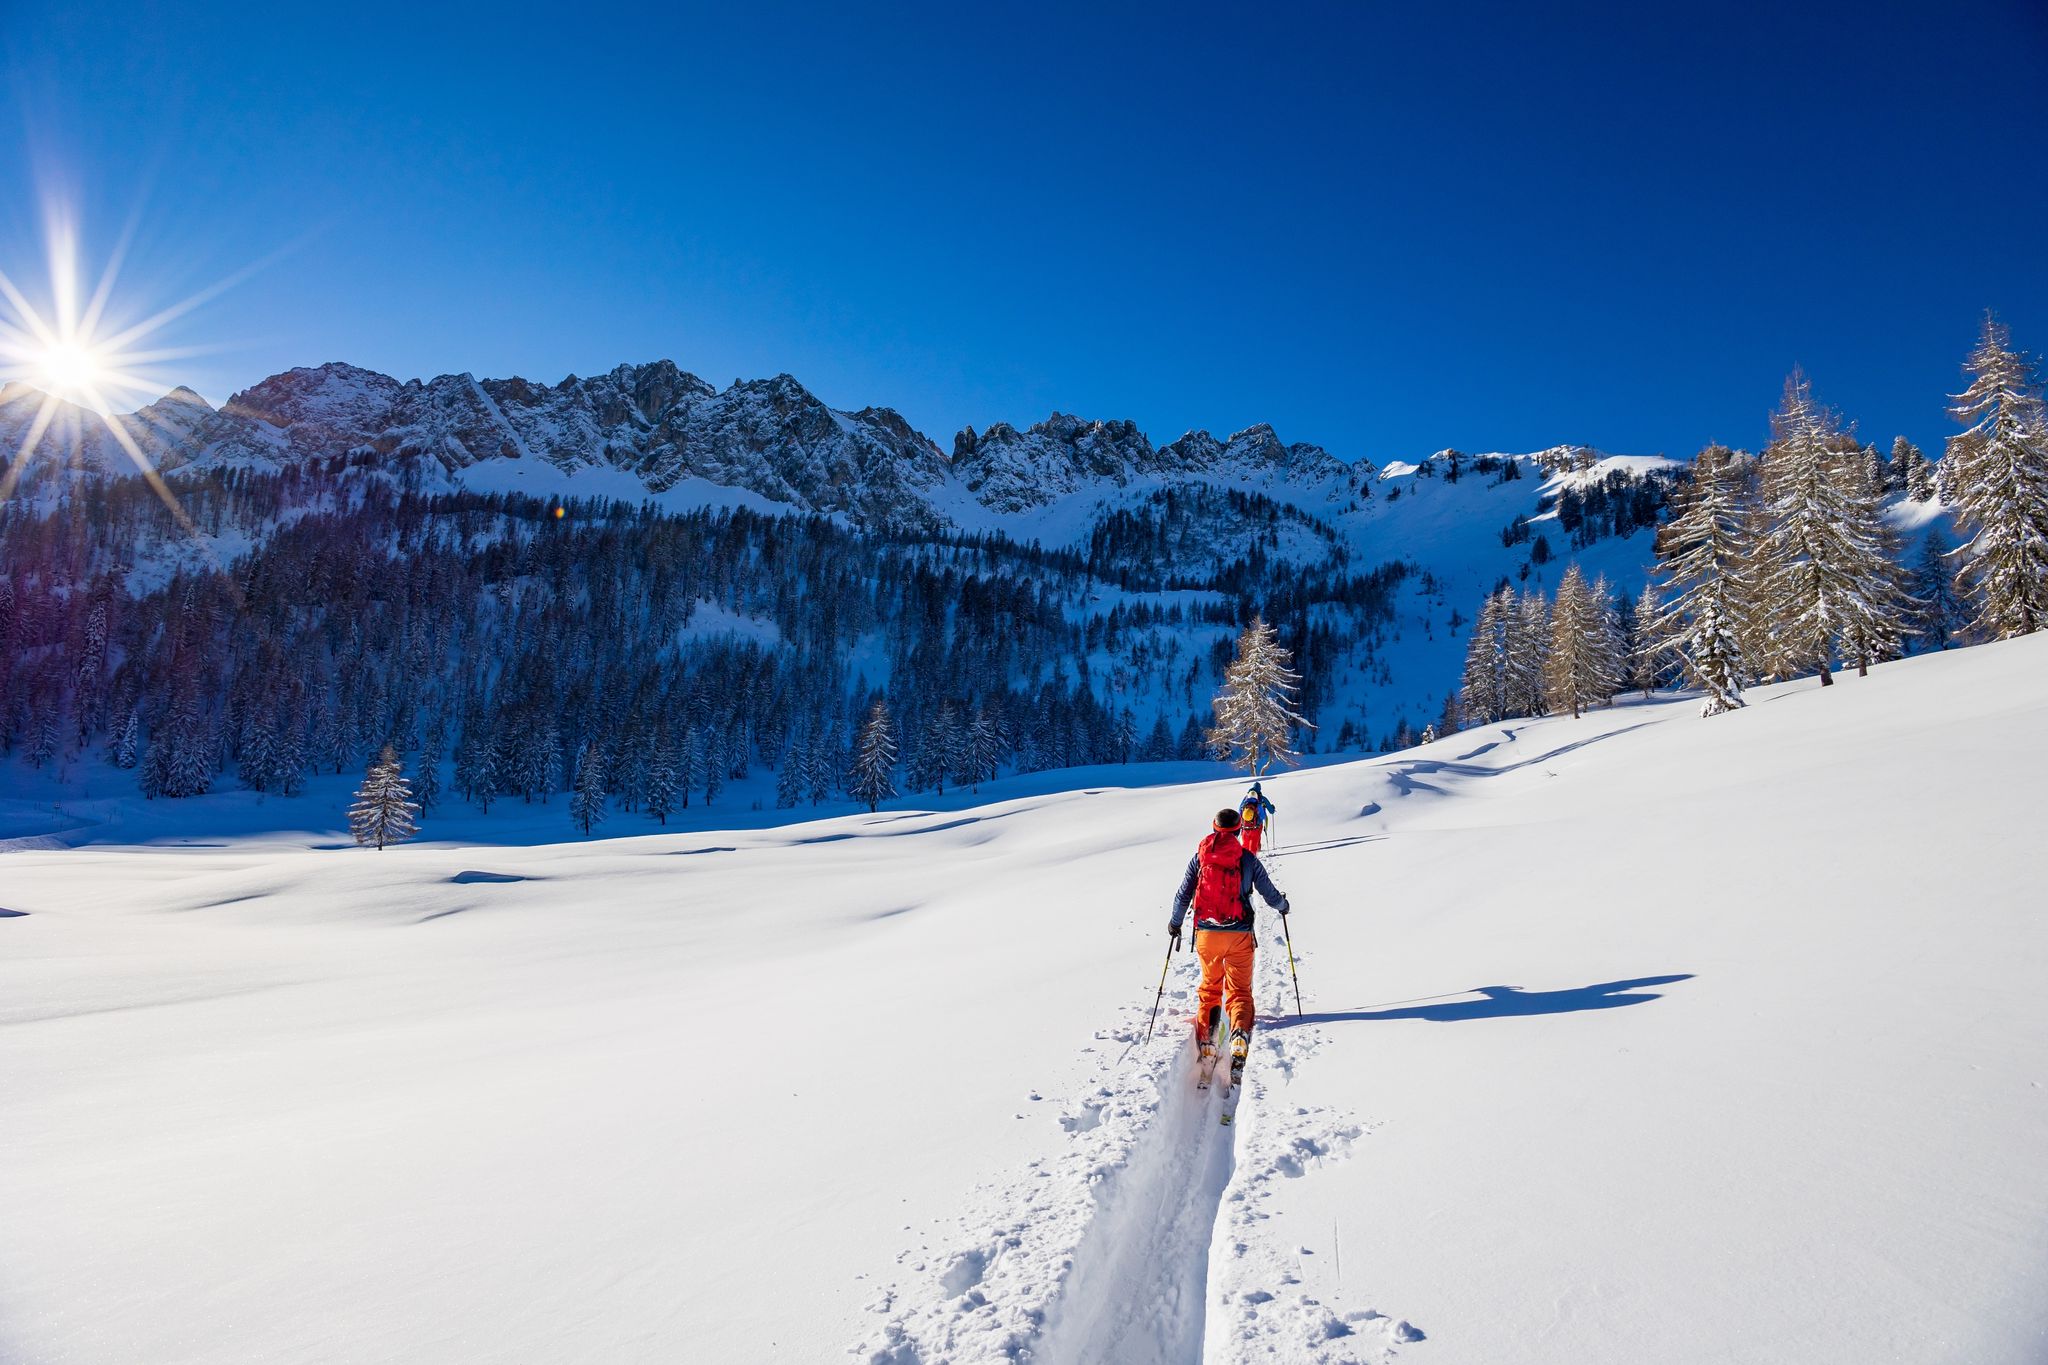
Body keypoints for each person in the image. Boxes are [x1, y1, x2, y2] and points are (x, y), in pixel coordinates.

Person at [1168, 807, 1289, 1064]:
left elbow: (1183, 894)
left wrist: (1175, 923)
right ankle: (1238, 1036)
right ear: (1238, 830)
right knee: (1240, 992)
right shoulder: (1247, 859)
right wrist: (1283, 906)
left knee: (1211, 989)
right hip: (1239, 934)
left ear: (1214, 828)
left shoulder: (1200, 857)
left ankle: (1208, 1041)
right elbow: (1268, 892)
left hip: (1207, 934)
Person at [1238, 781, 1276, 854]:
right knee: (1255, 839)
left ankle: (1245, 856)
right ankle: (1256, 851)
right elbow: (1268, 812)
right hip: (1257, 825)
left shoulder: (1245, 799)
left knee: (1245, 842)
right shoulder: (1261, 798)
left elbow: (1239, 810)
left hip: (1245, 825)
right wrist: (1272, 809)